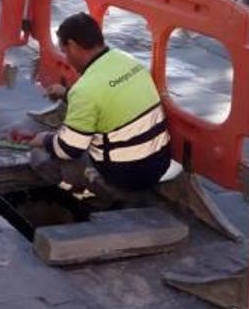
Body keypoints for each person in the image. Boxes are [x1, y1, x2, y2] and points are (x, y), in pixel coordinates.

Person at [29, 13, 173, 193]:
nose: (66, 59)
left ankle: (96, 195)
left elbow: (68, 150)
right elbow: (110, 97)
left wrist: (44, 139)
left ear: (72, 45)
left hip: (124, 174)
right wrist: (67, 94)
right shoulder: (127, 61)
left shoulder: (85, 89)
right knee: (90, 134)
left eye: (65, 51)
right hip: (158, 163)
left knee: (40, 157)